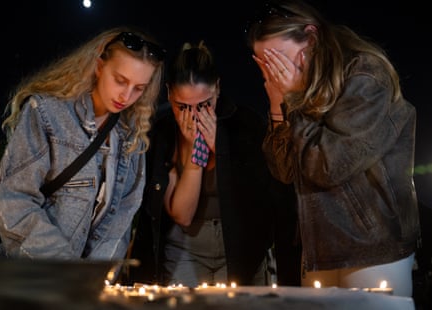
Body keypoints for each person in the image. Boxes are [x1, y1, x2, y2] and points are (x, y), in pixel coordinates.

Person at [245, 0, 420, 297]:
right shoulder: (299, 89)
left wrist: (293, 100)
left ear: (311, 37)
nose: (277, 72)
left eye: (282, 59)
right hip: (319, 250)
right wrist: (277, 105)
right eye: (267, 63)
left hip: (373, 251)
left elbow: (328, 166)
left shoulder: (365, 74)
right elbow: (285, 171)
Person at [130, 40, 299, 287]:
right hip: (185, 248)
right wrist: (197, 154)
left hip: (240, 247)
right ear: (169, 94)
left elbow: (261, 201)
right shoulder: (163, 135)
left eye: (204, 105)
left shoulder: (245, 124)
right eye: (182, 107)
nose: (194, 116)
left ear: (217, 89)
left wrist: (221, 149)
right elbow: (183, 215)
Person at [0, 26, 166, 260]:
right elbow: (15, 199)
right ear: (99, 66)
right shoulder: (46, 112)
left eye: (139, 88)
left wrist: (92, 279)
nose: (126, 96)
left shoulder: (132, 133)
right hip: (36, 273)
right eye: (120, 80)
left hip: (86, 286)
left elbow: (121, 218)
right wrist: (66, 269)